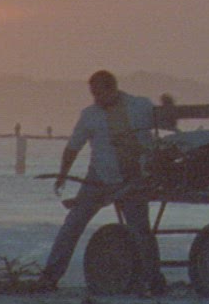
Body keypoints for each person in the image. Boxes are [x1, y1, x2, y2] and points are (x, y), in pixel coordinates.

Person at [35, 70, 167, 292]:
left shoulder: (140, 106)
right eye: (93, 94)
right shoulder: (90, 115)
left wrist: (168, 108)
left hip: (132, 179)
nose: (96, 98)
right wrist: (62, 174)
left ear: (112, 89)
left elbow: (164, 125)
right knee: (73, 224)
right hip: (98, 178)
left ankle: (154, 279)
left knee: (140, 230)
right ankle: (51, 275)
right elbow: (73, 147)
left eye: (99, 93)